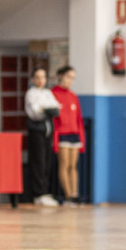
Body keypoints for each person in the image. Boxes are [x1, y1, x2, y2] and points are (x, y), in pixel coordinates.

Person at [25, 67, 61, 207]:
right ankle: (38, 193)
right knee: (38, 161)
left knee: (47, 161)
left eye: (43, 77)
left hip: (48, 129)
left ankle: (45, 192)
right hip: (36, 130)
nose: (41, 80)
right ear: (33, 79)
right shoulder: (30, 93)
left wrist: (46, 108)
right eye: (38, 77)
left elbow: (56, 109)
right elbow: (36, 111)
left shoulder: (47, 92)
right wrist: (47, 109)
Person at [51, 66, 85, 206]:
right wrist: (55, 138)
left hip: (74, 134)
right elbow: (54, 120)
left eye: (73, 78)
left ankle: (74, 194)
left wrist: (82, 139)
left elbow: (79, 119)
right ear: (60, 76)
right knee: (64, 165)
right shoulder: (53, 94)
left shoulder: (73, 96)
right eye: (68, 77)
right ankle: (67, 196)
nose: (70, 81)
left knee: (73, 166)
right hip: (62, 135)